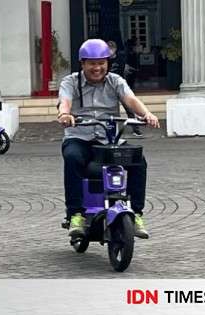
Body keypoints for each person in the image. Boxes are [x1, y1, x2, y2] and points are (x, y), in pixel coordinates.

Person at [56, 39, 160, 239]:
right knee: (72, 158)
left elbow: (131, 100)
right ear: (83, 63)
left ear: (107, 63)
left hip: (109, 140)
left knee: (138, 161)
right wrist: (65, 115)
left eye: (101, 63)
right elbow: (65, 102)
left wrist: (147, 114)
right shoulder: (70, 82)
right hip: (80, 137)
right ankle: (75, 214)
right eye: (92, 63)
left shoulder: (115, 81)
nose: (97, 68)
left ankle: (136, 214)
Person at [108, 40, 143, 137]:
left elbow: (124, 69)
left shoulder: (120, 58)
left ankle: (136, 129)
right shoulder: (105, 60)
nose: (110, 51)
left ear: (115, 49)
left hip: (120, 86)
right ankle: (112, 130)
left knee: (129, 108)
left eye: (112, 49)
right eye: (109, 49)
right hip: (109, 87)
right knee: (111, 110)